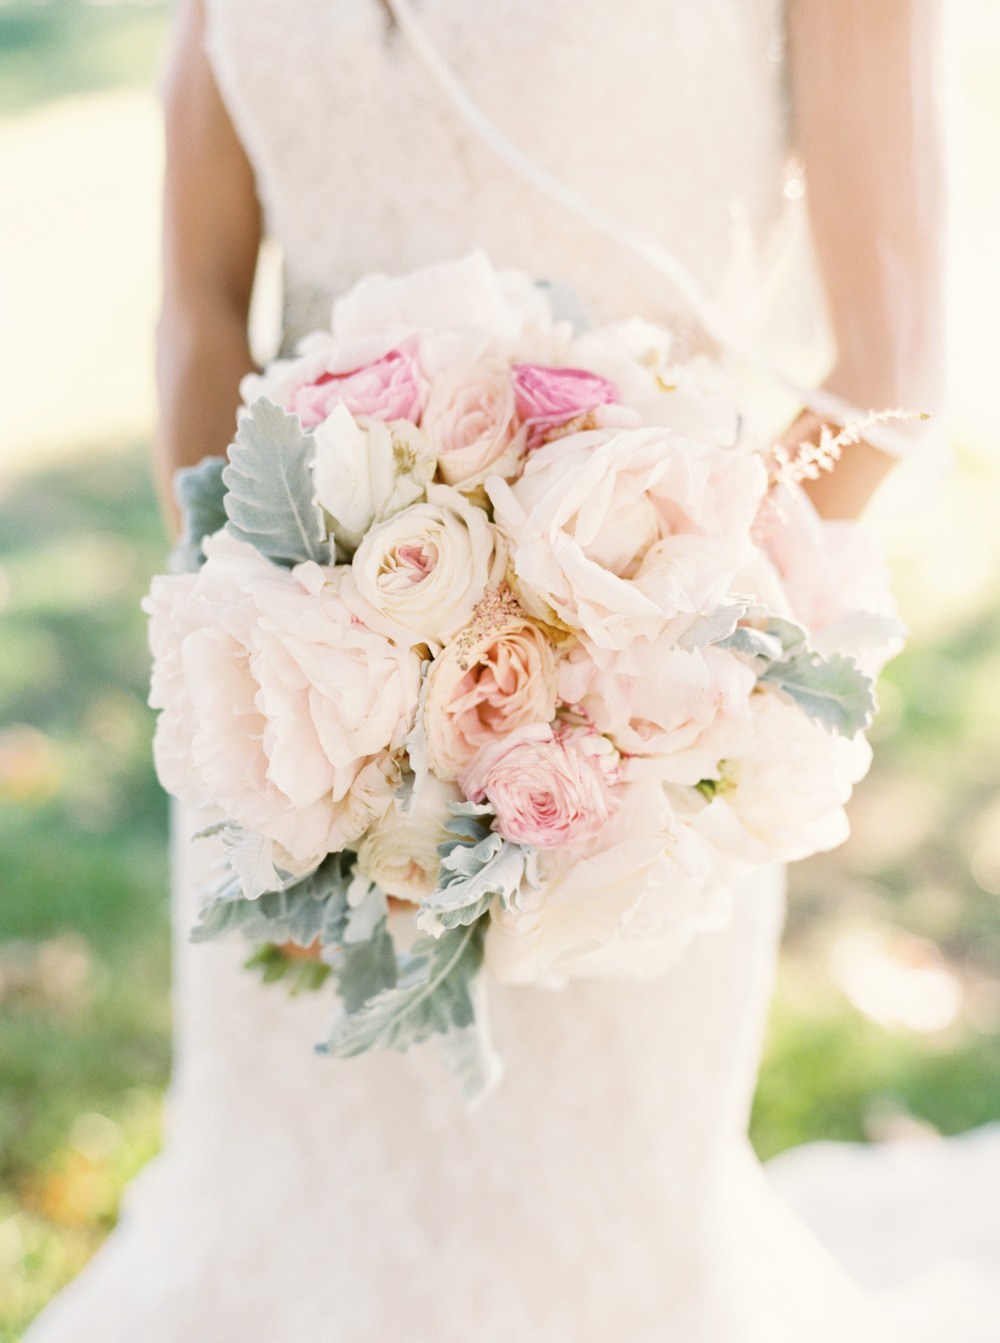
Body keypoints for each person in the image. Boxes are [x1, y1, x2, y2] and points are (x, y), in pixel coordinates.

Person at [26, 2, 950, 1339]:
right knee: (281, 1203)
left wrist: (616, 688)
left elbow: (893, 375)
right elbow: (203, 305)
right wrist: (255, 628)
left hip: (625, 753)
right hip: (295, 716)